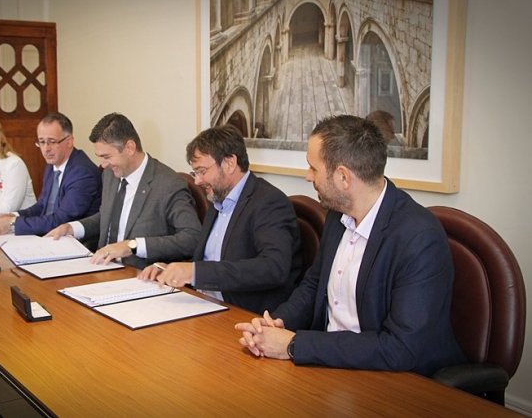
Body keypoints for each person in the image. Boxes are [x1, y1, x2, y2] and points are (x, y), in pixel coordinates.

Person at [234, 115, 466, 376]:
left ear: (343, 177)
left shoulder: (419, 237)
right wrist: (277, 324)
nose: (308, 176)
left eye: (313, 168)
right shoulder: (338, 214)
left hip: (393, 379)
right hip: (330, 364)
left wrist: (294, 345)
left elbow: (401, 348)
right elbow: (313, 285)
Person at [139, 126, 302, 314]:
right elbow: (210, 258)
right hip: (203, 304)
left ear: (229, 163)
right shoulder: (218, 199)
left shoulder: (269, 202)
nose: (198, 181)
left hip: (241, 313)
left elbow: (273, 268)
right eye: (195, 173)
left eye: (202, 171)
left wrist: (195, 272)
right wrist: (171, 270)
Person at [46, 112, 201, 269]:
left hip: (138, 273)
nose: (103, 164)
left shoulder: (169, 184)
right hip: (100, 266)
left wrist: (132, 246)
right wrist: (72, 228)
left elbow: (192, 238)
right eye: (99, 157)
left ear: (129, 148)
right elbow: (107, 217)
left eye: (107, 157)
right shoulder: (110, 174)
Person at [0, 112, 102, 236]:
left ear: (69, 141)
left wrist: (13, 224)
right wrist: (13, 215)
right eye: (42, 142)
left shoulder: (82, 173)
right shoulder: (52, 164)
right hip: (49, 235)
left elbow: (61, 220)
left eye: (52, 142)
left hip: (74, 241)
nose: (46, 149)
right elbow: (42, 206)